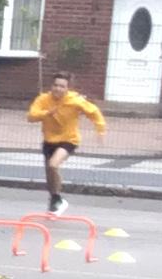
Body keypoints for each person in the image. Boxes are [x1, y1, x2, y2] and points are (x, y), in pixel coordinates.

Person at [25, 69, 106, 207]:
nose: (58, 89)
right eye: (55, 85)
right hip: (49, 140)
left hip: (68, 140)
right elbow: (31, 117)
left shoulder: (75, 100)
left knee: (53, 164)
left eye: (62, 86)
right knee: (50, 174)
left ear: (67, 88)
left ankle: (58, 199)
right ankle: (55, 198)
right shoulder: (43, 99)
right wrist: (47, 113)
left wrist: (100, 130)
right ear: (51, 86)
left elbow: (94, 112)